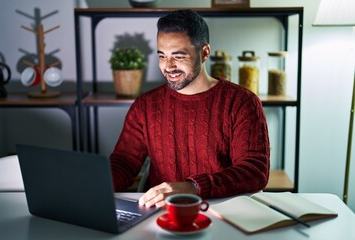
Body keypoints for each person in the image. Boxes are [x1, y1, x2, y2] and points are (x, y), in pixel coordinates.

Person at [110, 9, 270, 208]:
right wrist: (96, 187)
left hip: (224, 212)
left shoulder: (242, 102)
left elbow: (255, 171)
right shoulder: (145, 105)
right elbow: (124, 163)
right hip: (162, 214)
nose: (168, 66)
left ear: (204, 53)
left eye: (178, 56)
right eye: (162, 56)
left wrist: (193, 187)